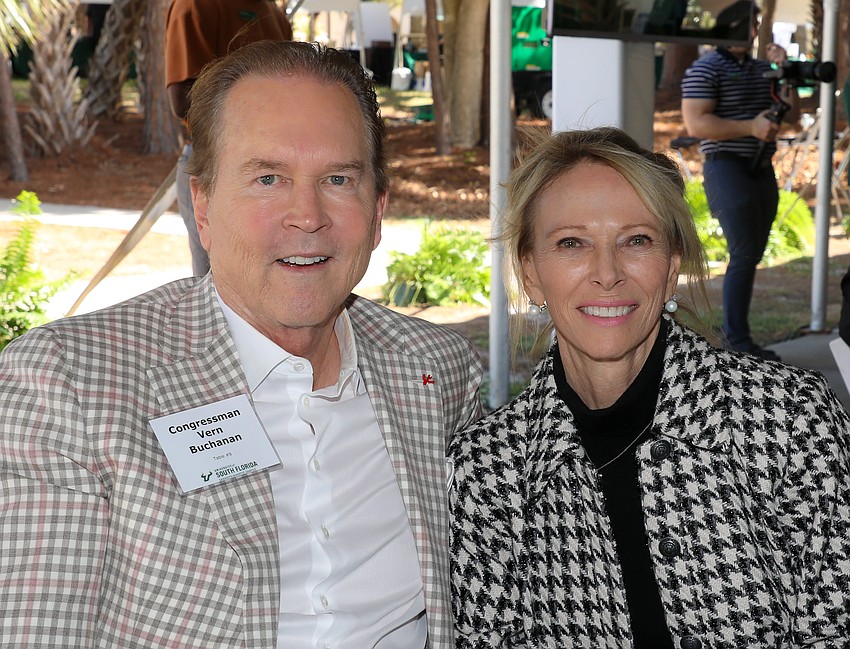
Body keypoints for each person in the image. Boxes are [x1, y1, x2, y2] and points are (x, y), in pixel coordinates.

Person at [0, 41, 483, 648]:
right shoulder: (68, 385)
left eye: (338, 179)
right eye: (267, 178)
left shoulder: (437, 372)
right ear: (202, 207)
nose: (307, 215)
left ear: (379, 210)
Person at [450, 127, 850, 647]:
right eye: (571, 243)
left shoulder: (790, 420)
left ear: (672, 266)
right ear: (530, 273)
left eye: (636, 240)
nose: (607, 273)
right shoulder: (486, 469)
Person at [681, 1, 798, 361]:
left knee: (752, 253)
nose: (750, 31)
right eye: (744, 24)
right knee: (744, 253)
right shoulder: (705, 68)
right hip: (726, 167)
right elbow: (696, 124)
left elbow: (792, 115)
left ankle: (737, 337)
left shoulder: (765, 69)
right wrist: (751, 127)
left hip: (761, 167)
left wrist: (783, 71)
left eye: (754, 24)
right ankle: (737, 341)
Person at [165, 0, 293, 276]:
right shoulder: (195, 5)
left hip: (280, 166)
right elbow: (183, 101)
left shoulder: (274, 12)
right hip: (217, 162)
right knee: (219, 283)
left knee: (273, 277)